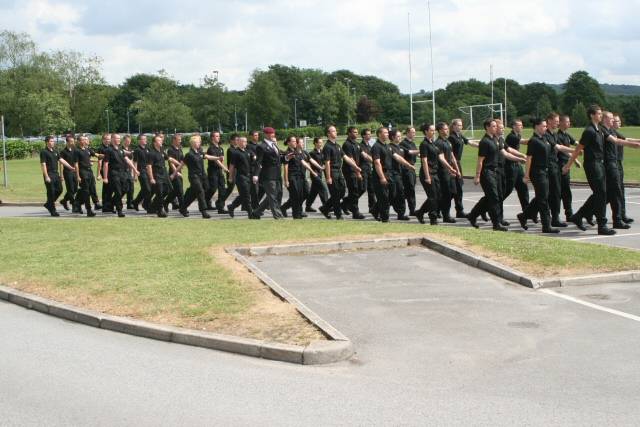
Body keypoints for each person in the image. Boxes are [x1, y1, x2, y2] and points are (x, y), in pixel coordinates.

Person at [562, 105, 616, 235]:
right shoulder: (589, 131)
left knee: (602, 193)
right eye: (598, 113)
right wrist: (568, 165)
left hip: (600, 164)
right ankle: (601, 225)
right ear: (592, 115)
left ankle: (579, 215)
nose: (600, 116)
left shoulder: (599, 130)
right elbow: (578, 149)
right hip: (592, 165)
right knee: (601, 193)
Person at [517, 118, 559, 233]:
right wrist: (526, 175)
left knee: (542, 196)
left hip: (545, 171)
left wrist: (572, 151)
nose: (546, 128)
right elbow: (529, 158)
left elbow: (557, 147)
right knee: (543, 199)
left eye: (546, 126)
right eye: (543, 126)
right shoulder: (534, 141)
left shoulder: (545, 138)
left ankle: (524, 216)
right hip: (537, 172)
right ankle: (546, 225)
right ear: (536, 127)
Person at [466, 119, 507, 231]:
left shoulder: (494, 139)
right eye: (494, 126)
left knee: (494, 197)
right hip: (487, 172)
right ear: (487, 127)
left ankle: (472, 215)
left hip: (495, 172)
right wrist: (477, 175)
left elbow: (504, 152)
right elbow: (480, 161)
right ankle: (496, 224)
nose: (496, 128)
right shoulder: (485, 142)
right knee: (493, 198)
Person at [415, 124, 457, 225]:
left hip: (435, 172)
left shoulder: (433, 143)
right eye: (431, 130)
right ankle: (433, 218)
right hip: (428, 173)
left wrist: (450, 168)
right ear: (426, 132)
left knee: (438, 196)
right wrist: (427, 176)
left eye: (434, 131)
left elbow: (441, 158)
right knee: (433, 196)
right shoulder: (424, 144)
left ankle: (420, 212)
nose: (433, 132)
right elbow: (424, 161)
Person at [321, 125, 361, 220]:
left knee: (342, 192)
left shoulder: (337, 145)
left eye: (335, 130)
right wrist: (328, 177)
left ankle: (325, 208)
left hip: (339, 172)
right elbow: (327, 163)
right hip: (332, 172)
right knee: (335, 194)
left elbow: (346, 158)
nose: (336, 132)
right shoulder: (327, 147)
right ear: (328, 134)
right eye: (333, 131)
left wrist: (355, 167)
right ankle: (338, 214)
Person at [173, 135, 211, 219]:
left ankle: (182, 207)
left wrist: (217, 158)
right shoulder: (189, 154)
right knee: (200, 192)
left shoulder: (199, 152)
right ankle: (203, 211)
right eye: (198, 142)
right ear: (193, 143)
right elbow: (181, 165)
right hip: (194, 176)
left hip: (202, 176)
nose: (200, 143)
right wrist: (174, 173)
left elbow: (207, 156)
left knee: (195, 192)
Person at [254, 127, 287, 219]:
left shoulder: (274, 145)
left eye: (273, 133)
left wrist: (287, 158)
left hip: (277, 174)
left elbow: (278, 160)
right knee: (272, 195)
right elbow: (258, 162)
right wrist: (256, 174)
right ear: (266, 134)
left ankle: (256, 212)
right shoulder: (261, 146)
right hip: (268, 175)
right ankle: (278, 215)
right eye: (270, 133)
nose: (273, 135)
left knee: (275, 194)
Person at [103, 134, 138, 217]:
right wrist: (105, 177)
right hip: (114, 174)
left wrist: (135, 169)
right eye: (117, 138)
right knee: (118, 192)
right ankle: (119, 210)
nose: (119, 140)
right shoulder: (108, 150)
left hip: (122, 173)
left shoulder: (120, 150)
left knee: (126, 189)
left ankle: (111, 203)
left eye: (119, 138)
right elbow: (105, 164)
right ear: (112, 139)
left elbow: (127, 160)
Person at [282, 136, 317, 219]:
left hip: (299, 176)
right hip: (292, 177)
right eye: (293, 141)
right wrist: (286, 180)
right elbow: (285, 167)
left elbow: (303, 162)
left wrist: (312, 171)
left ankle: (286, 208)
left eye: (295, 141)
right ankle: (296, 214)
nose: (295, 143)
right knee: (295, 196)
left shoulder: (296, 152)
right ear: (288, 142)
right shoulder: (287, 153)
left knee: (300, 195)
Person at [448, 119, 476, 218]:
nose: (461, 127)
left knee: (457, 189)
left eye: (461, 125)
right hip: (452, 163)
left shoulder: (460, 136)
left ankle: (459, 211)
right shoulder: (451, 137)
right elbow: (450, 155)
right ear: (454, 126)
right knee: (455, 189)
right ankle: (442, 208)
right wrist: (453, 168)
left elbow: (469, 142)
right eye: (459, 125)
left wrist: (481, 145)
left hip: (458, 163)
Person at [434, 122, 461, 223]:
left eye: (447, 129)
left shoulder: (448, 142)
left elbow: (452, 156)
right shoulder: (438, 143)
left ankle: (437, 210)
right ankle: (446, 216)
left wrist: (457, 169)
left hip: (449, 171)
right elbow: (441, 159)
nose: (447, 130)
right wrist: (450, 168)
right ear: (440, 130)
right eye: (445, 129)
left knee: (452, 192)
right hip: (442, 171)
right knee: (446, 194)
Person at [227, 136, 259, 219]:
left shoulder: (248, 151)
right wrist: (230, 177)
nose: (245, 143)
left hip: (249, 176)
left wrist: (255, 157)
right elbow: (232, 166)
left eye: (246, 141)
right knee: (247, 195)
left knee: (243, 195)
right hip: (240, 177)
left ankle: (232, 206)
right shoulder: (235, 152)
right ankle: (250, 213)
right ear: (239, 142)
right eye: (243, 141)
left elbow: (254, 157)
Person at [613, 114, 638, 224]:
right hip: (613, 164)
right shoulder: (611, 133)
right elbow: (626, 141)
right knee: (614, 192)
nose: (619, 123)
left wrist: (638, 140)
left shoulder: (615, 133)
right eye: (617, 121)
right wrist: (636, 144)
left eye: (619, 121)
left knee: (620, 190)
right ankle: (619, 215)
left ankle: (622, 215)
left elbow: (627, 139)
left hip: (618, 164)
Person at [556, 116, 580, 222]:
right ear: (560, 123)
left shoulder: (567, 135)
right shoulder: (558, 136)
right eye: (567, 121)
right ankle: (565, 214)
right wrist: (575, 159)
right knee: (562, 191)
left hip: (567, 164)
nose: (569, 123)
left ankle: (569, 213)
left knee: (566, 191)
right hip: (561, 165)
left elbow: (577, 143)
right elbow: (564, 151)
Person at [503, 120, 530, 214]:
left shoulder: (517, 135)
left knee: (523, 187)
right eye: (520, 125)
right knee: (507, 190)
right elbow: (524, 142)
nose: (522, 127)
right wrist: (537, 140)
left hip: (517, 165)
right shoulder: (511, 136)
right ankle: (492, 206)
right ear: (514, 126)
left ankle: (527, 212)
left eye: (522, 125)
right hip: (510, 166)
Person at [388, 129, 414, 221]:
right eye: (398, 136)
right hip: (392, 174)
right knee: (395, 194)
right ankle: (378, 209)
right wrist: (409, 165)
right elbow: (398, 158)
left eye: (400, 136)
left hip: (399, 173)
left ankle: (401, 213)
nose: (400, 138)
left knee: (399, 194)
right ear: (392, 137)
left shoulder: (399, 147)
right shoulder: (390, 147)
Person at [146, 135, 174, 218]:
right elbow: (149, 166)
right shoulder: (151, 153)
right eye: (159, 140)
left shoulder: (162, 151)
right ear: (154, 143)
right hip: (157, 175)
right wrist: (151, 178)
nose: (161, 141)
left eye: (161, 140)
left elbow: (169, 159)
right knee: (160, 193)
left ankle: (153, 206)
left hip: (164, 174)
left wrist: (180, 164)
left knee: (168, 190)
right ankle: (160, 210)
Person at [341, 127, 365, 219]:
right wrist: (357, 172)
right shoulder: (347, 144)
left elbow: (364, 155)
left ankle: (345, 203)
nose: (356, 133)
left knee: (361, 188)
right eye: (354, 132)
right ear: (349, 133)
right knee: (354, 191)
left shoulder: (357, 144)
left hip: (357, 169)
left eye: (357, 132)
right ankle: (355, 212)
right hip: (350, 170)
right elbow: (350, 159)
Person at [40, 135, 67, 216]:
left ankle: (49, 204)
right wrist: (46, 176)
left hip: (56, 174)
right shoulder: (44, 152)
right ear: (47, 142)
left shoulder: (55, 151)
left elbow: (61, 160)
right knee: (51, 192)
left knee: (59, 190)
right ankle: (53, 210)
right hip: (49, 174)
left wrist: (70, 167)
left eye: (53, 141)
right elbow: (43, 165)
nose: (53, 142)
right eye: (51, 141)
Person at [371, 127, 393, 222]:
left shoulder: (387, 146)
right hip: (380, 175)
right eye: (385, 133)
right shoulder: (376, 147)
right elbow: (377, 163)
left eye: (387, 133)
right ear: (379, 134)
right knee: (383, 197)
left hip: (389, 174)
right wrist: (382, 177)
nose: (387, 134)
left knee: (393, 194)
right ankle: (385, 218)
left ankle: (375, 210)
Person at [74, 135, 98, 217]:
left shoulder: (87, 150)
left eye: (85, 140)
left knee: (92, 189)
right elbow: (76, 164)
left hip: (89, 171)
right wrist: (78, 176)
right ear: (79, 141)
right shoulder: (77, 151)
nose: (85, 141)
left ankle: (77, 204)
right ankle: (88, 210)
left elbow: (93, 156)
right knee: (86, 192)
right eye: (83, 140)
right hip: (83, 172)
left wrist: (102, 156)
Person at [204, 131, 228, 213]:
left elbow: (222, 160)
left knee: (222, 189)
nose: (218, 137)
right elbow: (216, 161)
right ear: (212, 138)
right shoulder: (211, 148)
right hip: (213, 171)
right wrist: (225, 168)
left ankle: (220, 207)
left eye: (219, 136)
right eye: (216, 136)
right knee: (213, 188)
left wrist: (223, 167)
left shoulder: (220, 148)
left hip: (219, 171)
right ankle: (205, 201)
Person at [305, 137, 329, 213]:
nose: (321, 144)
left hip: (320, 173)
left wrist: (325, 166)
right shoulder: (312, 153)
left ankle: (308, 206)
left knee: (314, 191)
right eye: (319, 142)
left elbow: (324, 162)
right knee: (323, 189)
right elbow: (310, 163)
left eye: (322, 142)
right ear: (315, 143)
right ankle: (326, 206)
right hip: (314, 174)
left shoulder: (322, 152)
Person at [400, 127, 419, 216]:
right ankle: (412, 210)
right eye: (412, 132)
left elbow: (417, 154)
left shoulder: (412, 143)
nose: (414, 134)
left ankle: (394, 201)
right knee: (410, 189)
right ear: (407, 133)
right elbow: (410, 152)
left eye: (414, 132)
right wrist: (421, 150)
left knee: (409, 190)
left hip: (412, 168)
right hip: (406, 168)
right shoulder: (403, 143)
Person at [59, 134, 79, 213]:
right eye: (71, 141)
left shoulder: (75, 150)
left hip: (74, 172)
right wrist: (61, 175)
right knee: (70, 189)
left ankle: (64, 200)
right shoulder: (63, 152)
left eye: (73, 141)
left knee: (75, 189)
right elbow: (61, 164)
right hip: (67, 172)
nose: (72, 143)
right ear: (67, 142)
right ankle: (74, 205)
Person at [359, 128, 377, 217]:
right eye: (368, 134)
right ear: (363, 136)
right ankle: (349, 203)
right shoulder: (361, 145)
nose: (370, 136)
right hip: (363, 169)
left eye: (370, 134)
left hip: (369, 169)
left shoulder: (369, 146)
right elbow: (366, 156)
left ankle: (372, 208)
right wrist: (375, 161)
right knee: (362, 189)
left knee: (371, 189)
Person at [166, 134, 185, 212]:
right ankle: (182, 208)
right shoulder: (170, 150)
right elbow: (171, 163)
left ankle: (165, 202)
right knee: (180, 191)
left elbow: (182, 160)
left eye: (180, 139)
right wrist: (176, 172)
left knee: (176, 191)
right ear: (174, 140)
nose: (180, 141)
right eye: (179, 139)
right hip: (173, 173)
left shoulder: (180, 149)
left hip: (179, 172)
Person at [132, 134, 151, 212]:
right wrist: (135, 174)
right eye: (143, 139)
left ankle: (135, 202)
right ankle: (146, 204)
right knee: (147, 189)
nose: (145, 140)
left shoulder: (147, 149)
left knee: (144, 189)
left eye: (146, 139)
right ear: (139, 140)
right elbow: (135, 162)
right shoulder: (137, 150)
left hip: (148, 171)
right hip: (141, 171)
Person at [96, 133, 112, 213]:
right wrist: (98, 174)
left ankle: (109, 205)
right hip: (104, 170)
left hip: (110, 170)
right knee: (106, 188)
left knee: (110, 188)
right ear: (103, 140)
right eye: (106, 139)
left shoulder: (110, 148)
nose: (108, 140)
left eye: (109, 139)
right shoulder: (101, 149)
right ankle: (105, 206)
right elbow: (99, 162)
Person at [246, 130, 261, 210]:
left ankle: (255, 204)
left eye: (257, 135)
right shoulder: (249, 146)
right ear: (251, 136)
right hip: (253, 170)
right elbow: (254, 157)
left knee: (261, 188)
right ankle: (255, 207)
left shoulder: (258, 145)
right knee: (254, 189)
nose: (257, 137)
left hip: (259, 169)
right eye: (255, 135)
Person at [122, 135, 135, 210]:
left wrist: (132, 173)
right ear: (124, 141)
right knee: (125, 188)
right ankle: (115, 201)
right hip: (122, 170)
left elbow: (132, 161)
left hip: (129, 171)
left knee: (131, 188)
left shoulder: (130, 149)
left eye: (129, 141)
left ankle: (129, 204)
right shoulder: (121, 148)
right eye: (127, 141)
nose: (128, 142)